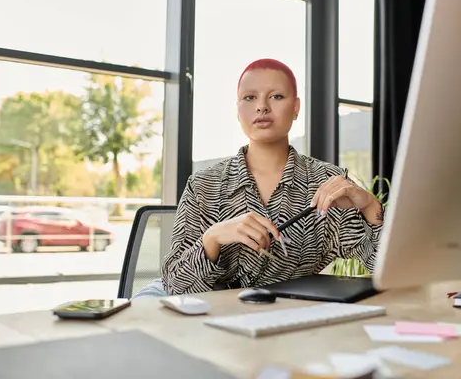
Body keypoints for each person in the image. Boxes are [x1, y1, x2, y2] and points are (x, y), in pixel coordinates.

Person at [135, 58, 383, 298]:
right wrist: (212, 237)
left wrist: (370, 205)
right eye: (249, 97)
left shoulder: (328, 182)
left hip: (282, 313)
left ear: (296, 107)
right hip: (205, 313)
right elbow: (176, 286)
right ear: (238, 109)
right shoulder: (203, 184)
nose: (262, 106)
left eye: (276, 96)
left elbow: (385, 266)